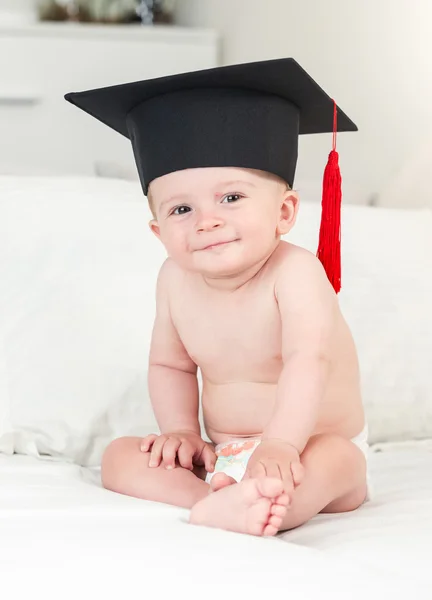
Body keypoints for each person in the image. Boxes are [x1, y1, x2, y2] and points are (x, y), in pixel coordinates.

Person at [65, 58, 369, 536]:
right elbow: (171, 366)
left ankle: (276, 506)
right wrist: (183, 433)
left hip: (304, 446)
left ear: (285, 212)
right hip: (225, 457)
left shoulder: (295, 272)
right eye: (182, 208)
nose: (206, 220)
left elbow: (309, 360)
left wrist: (282, 446)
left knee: (341, 461)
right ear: (157, 230)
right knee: (118, 458)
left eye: (231, 198)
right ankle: (214, 500)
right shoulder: (173, 279)